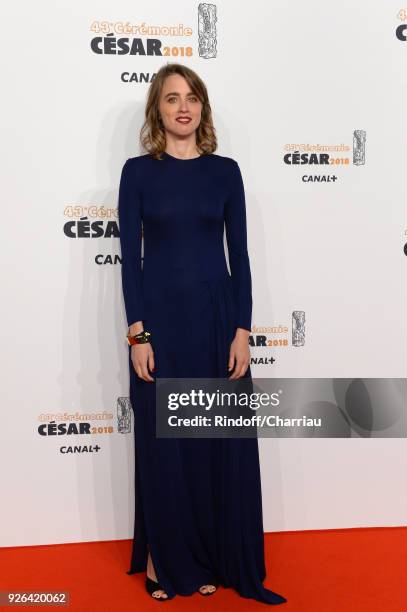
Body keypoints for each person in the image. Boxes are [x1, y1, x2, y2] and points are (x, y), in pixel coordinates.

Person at [118, 62, 287, 605]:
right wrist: (138, 334)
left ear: (202, 108)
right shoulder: (137, 173)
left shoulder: (226, 172)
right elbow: (130, 261)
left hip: (217, 324)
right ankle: (161, 559)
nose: (183, 106)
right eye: (172, 98)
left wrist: (242, 330)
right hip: (162, 325)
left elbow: (240, 258)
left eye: (191, 97)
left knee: (211, 441)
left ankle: (210, 553)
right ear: (158, 110)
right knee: (165, 443)